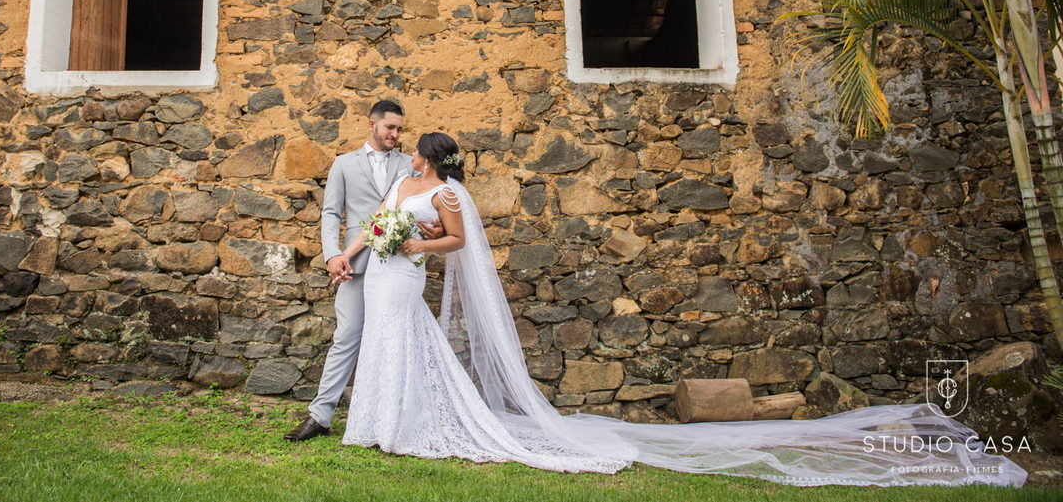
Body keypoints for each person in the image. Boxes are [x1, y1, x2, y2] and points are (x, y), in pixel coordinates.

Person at [323, 132, 1027, 487]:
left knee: (407, 341)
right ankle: (380, 422)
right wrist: (365, 246)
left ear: (432, 158)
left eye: (419, 150)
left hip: (404, 272)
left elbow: (452, 240)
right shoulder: (402, 182)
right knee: (390, 344)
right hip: (380, 272)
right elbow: (377, 220)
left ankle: (408, 421)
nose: (413, 152)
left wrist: (414, 240)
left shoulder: (444, 192)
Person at [283, 99, 415, 442]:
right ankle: (320, 415)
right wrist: (332, 255)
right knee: (347, 336)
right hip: (354, 264)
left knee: (398, 337)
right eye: (390, 127)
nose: (396, 135)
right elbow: (331, 213)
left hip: (398, 263)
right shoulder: (343, 164)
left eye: (400, 129)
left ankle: (394, 417)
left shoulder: (410, 164)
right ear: (371, 124)